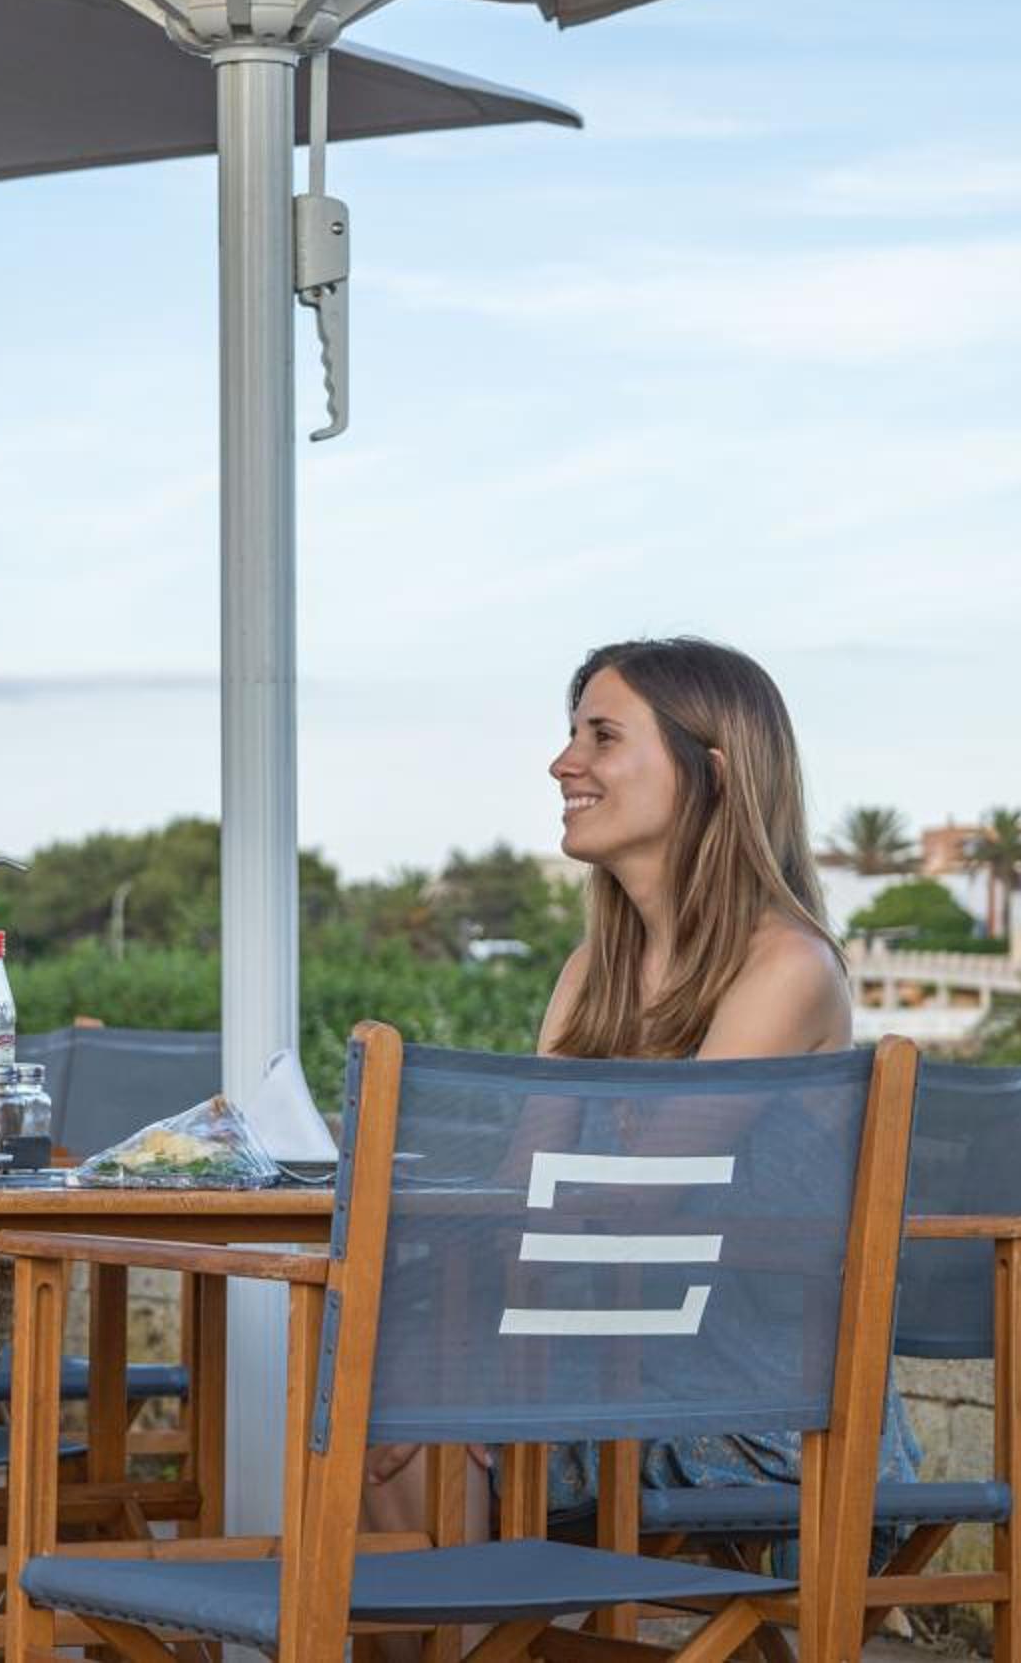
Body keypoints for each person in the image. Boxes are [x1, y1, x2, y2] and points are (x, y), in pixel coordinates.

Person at [359, 636, 920, 1578]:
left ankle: (464, 1627)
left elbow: (644, 1200)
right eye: (571, 734)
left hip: (762, 1415)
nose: (563, 763)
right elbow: (518, 1202)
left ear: (713, 774)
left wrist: (477, 1371)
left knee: (425, 1419)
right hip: (605, 1374)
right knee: (385, 1401)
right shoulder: (592, 974)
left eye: (602, 736)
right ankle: (461, 1631)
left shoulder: (786, 967)